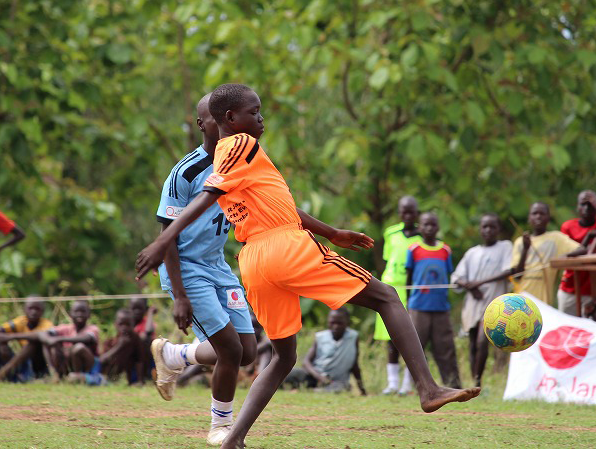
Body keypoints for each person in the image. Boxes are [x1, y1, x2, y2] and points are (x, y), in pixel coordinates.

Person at [135, 83, 480, 449]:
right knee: (387, 297)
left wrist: (332, 232)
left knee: (283, 356)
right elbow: (209, 196)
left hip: (253, 261)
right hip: (285, 248)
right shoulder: (241, 144)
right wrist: (162, 240)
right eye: (254, 112)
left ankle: (232, 439)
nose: (261, 118)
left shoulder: (226, 156)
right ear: (230, 119)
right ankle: (428, 388)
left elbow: (271, 203)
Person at [149, 93, 258, 446]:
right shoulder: (186, 172)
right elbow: (166, 236)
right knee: (229, 349)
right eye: (215, 119)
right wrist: (179, 295)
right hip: (186, 269)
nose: (225, 126)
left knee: (248, 351)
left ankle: (175, 354)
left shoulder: (241, 162)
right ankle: (220, 426)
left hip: (218, 267)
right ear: (204, 124)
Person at [451, 214, 513, 387]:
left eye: (492, 227)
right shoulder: (472, 253)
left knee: (482, 341)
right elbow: (457, 277)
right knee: (472, 344)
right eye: (484, 227)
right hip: (473, 303)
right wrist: (469, 286)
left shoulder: (505, 247)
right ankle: (474, 383)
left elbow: (508, 270)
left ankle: (478, 380)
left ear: (498, 230)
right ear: (480, 229)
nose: (488, 230)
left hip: (494, 304)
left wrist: (479, 283)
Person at [405, 212, 461, 390]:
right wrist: (407, 304)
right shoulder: (414, 249)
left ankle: (452, 384)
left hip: (440, 308)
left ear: (438, 227)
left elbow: (449, 275)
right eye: (425, 225)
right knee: (415, 347)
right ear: (419, 227)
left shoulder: (445, 250)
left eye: (433, 225)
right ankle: (414, 385)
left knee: (445, 348)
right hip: (418, 307)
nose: (429, 228)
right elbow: (409, 278)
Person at [375, 195, 421, 395]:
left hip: (409, 289)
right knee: (389, 337)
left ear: (417, 213)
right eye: (404, 211)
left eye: (411, 211)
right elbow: (388, 260)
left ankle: (407, 383)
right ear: (399, 212)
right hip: (389, 287)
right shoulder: (391, 233)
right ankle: (392, 382)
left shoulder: (422, 237)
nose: (407, 215)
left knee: (409, 335)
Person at [510, 202, 587, 304]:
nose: (538, 216)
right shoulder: (520, 242)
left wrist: (565, 256)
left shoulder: (556, 238)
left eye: (542, 213)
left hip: (544, 301)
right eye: (535, 213)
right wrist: (525, 249)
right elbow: (517, 276)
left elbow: (582, 249)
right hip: (521, 300)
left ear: (548, 218)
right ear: (529, 218)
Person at [557, 191, 596, 316]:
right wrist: (588, 237)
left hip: (593, 290)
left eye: (591, 204)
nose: (587, 208)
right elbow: (568, 254)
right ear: (577, 207)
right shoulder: (568, 227)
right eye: (583, 204)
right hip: (570, 288)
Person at [283, 308, 366, 394]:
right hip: (315, 376)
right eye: (332, 323)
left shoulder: (353, 337)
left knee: (341, 388)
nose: (336, 326)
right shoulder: (320, 337)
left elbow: (354, 365)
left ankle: (309, 391)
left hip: (335, 381)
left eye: (340, 323)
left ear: (347, 322)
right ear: (328, 322)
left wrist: (362, 389)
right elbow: (306, 362)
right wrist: (319, 377)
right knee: (289, 373)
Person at [0, 298, 53, 382]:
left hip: (39, 362)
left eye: (37, 309)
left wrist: (12, 336)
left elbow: (40, 336)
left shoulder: (47, 324)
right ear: (24, 309)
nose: (33, 312)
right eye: (30, 308)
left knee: (32, 344)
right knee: (2, 346)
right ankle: (13, 376)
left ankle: (4, 373)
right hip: (21, 361)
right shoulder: (20, 321)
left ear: (42, 311)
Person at [98, 308, 146, 385]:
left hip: (128, 375)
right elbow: (102, 360)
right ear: (115, 324)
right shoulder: (110, 337)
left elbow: (139, 360)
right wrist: (119, 346)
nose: (124, 328)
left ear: (133, 324)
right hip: (109, 374)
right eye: (121, 324)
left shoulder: (135, 338)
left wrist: (140, 380)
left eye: (128, 324)